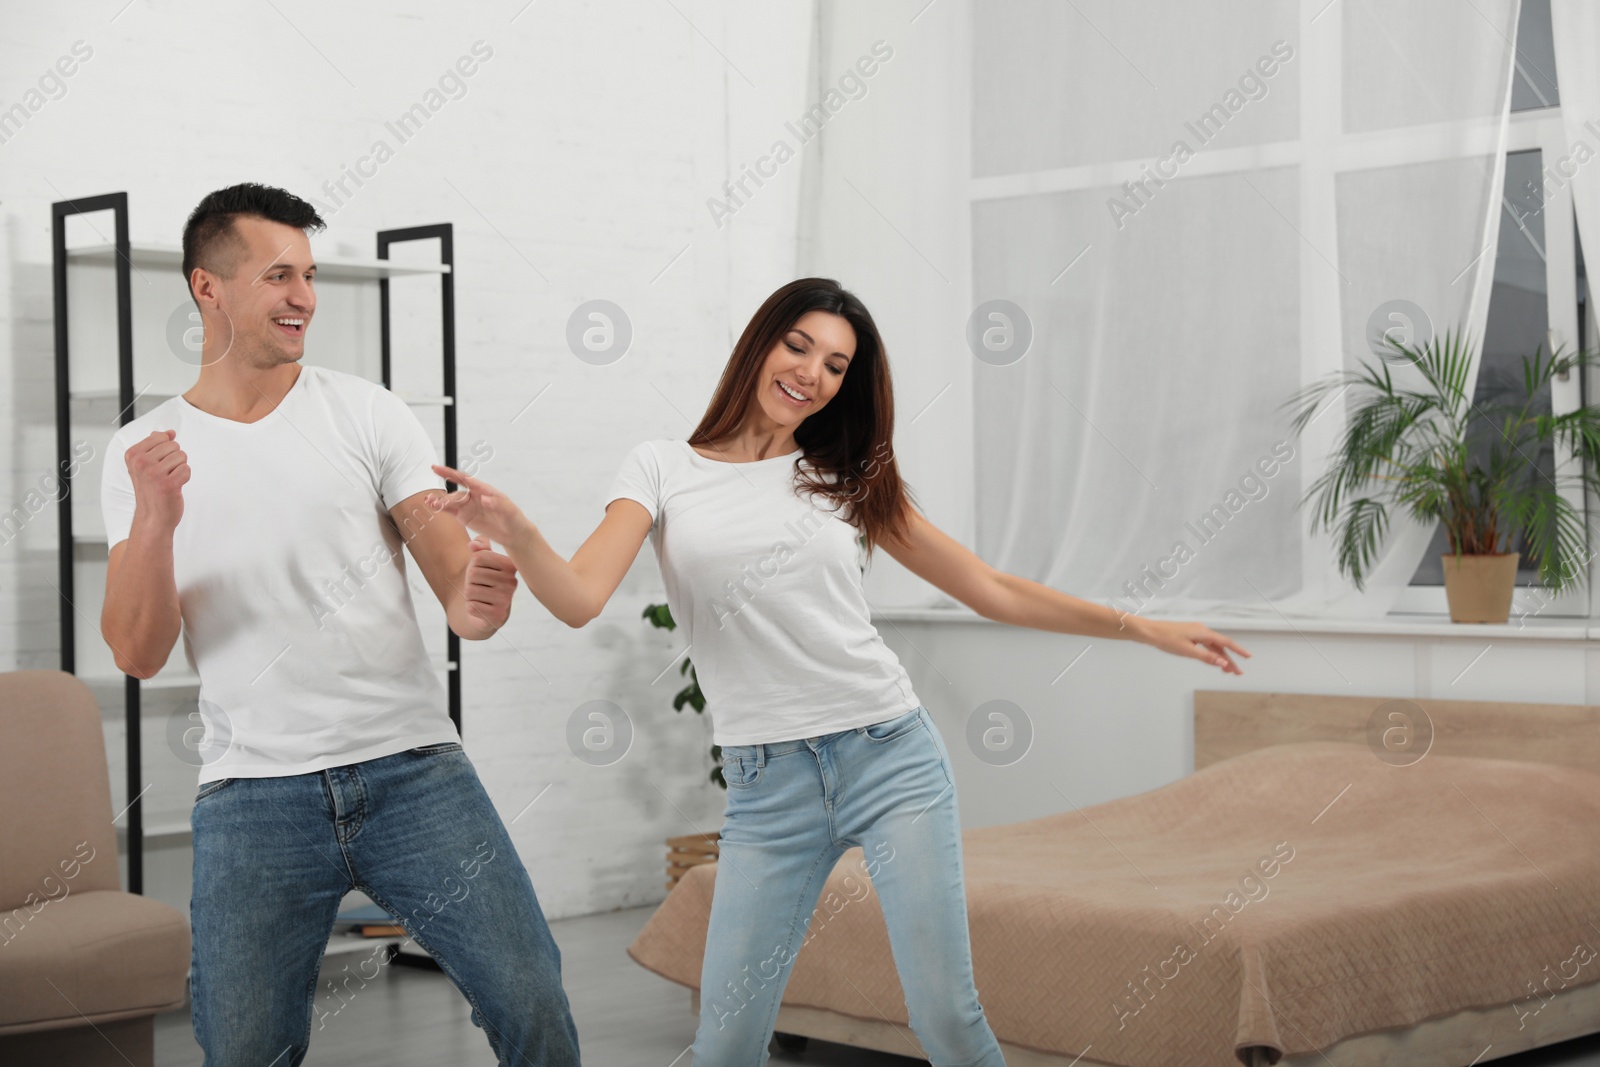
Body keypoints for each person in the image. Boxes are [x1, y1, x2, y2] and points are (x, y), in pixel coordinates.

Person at [426, 276, 1250, 1065]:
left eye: (835, 364)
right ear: (759, 344)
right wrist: (516, 528)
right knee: (724, 1044)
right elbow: (577, 596)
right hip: (765, 781)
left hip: (888, 754)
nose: (812, 374)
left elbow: (989, 586)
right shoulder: (661, 467)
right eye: (799, 346)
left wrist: (1142, 626)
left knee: (947, 1018)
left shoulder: (847, 475)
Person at [99, 182, 581, 1066]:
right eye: (279, 275)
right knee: (243, 1050)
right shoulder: (143, 453)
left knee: (532, 998)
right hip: (253, 796)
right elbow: (136, 650)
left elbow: (455, 588)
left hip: (413, 773)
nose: (304, 298)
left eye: (310, 276)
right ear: (209, 288)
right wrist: (157, 518)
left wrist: (479, 595)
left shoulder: (363, 410)